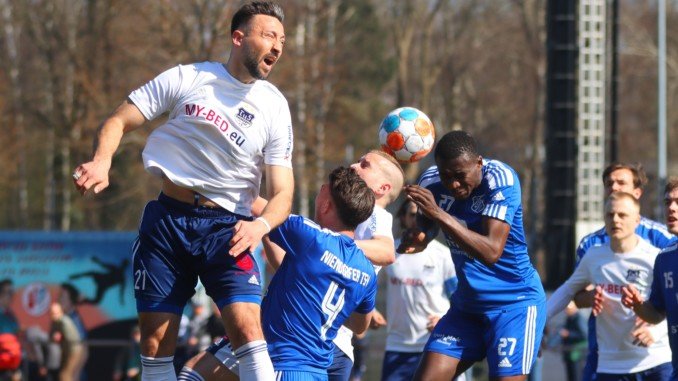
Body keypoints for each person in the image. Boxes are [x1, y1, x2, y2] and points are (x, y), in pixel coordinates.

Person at [71, 2, 293, 380]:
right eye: (269, 35)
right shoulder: (188, 77)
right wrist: (102, 159)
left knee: (248, 331)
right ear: (238, 38)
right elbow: (119, 119)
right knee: (156, 346)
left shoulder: (274, 105)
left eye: (283, 40)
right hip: (167, 224)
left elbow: (283, 193)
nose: (277, 46)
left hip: (230, 230)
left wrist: (261, 226)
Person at [178, 166, 378, 380]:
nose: (318, 195)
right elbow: (359, 325)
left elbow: (261, 207)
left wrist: (203, 170)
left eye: (321, 190)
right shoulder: (367, 271)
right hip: (313, 371)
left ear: (327, 205)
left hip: (283, 365)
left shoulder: (312, 238)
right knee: (195, 371)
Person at [399, 130, 546, 380]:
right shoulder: (431, 182)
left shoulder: (501, 178)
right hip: (467, 308)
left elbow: (491, 251)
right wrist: (414, 238)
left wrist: (439, 214)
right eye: (446, 176)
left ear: (478, 162)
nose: (453, 184)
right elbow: (426, 232)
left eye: (460, 176)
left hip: (513, 304)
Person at [547, 192, 672, 380]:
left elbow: (671, 303)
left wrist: (656, 330)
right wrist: (538, 322)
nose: (615, 220)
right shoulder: (594, 256)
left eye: (622, 215)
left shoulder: (654, 257)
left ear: (637, 220)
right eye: (610, 215)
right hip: (611, 365)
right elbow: (567, 290)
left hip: (655, 361)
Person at [574, 163, 676, 381]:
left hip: (652, 355)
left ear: (637, 193)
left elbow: (667, 305)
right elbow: (576, 296)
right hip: (605, 354)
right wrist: (592, 296)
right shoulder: (590, 245)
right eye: (609, 183)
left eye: (621, 182)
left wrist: (657, 331)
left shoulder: (662, 240)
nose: (614, 187)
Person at [330, 149, 404, 381]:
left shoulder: (376, 213)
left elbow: (386, 251)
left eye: (365, 165)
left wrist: (325, 243)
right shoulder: (352, 215)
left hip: (330, 340)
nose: (353, 166)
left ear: (382, 188)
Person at [379, 200, 458, 381]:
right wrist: (371, 310)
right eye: (413, 214)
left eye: (423, 215)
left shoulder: (443, 255)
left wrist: (445, 320)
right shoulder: (390, 251)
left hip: (436, 345)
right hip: (398, 345)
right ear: (403, 218)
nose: (418, 220)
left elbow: (459, 298)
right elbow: (367, 284)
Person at [622, 177, 678, 379]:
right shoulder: (664, 258)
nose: (671, 208)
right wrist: (638, 305)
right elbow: (657, 314)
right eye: (667, 202)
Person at [49, 302, 84, 381]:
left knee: (64, 374)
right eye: (52, 313)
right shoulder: (55, 322)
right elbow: (51, 337)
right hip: (66, 351)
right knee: (63, 374)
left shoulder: (64, 322)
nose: (54, 315)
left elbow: (70, 340)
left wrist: (60, 337)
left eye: (56, 313)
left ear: (61, 312)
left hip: (74, 351)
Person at [559, 302, 587, 381]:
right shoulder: (569, 318)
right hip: (569, 354)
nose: (566, 311)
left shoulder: (578, 318)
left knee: (576, 377)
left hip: (577, 355)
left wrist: (568, 334)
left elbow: (584, 335)